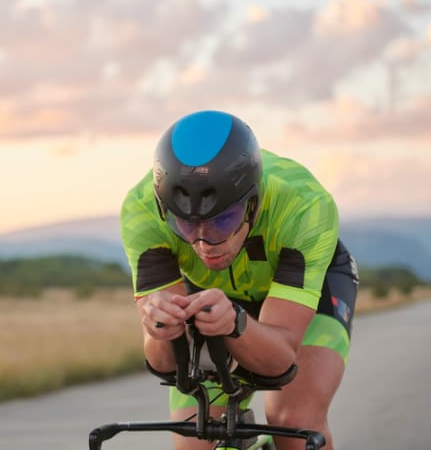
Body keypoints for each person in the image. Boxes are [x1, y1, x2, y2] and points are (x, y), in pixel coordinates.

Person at [119, 110, 359, 450]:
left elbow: (280, 361)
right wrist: (160, 329)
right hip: (212, 299)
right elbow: (164, 363)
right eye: (185, 225)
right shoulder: (141, 210)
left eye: (222, 221)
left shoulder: (306, 206)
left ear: (253, 202)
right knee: (194, 440)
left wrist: (235, 324)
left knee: (294, 423)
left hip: (309, 294)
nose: (204, 244)